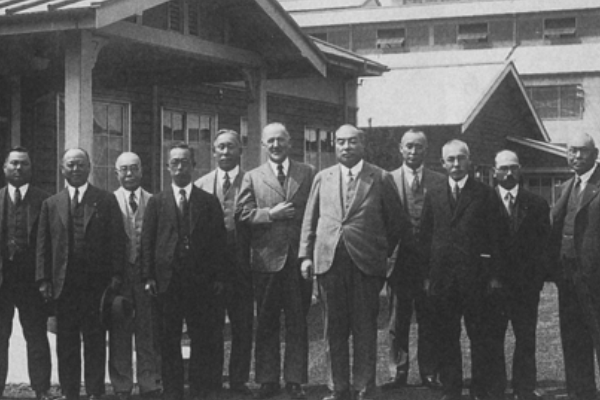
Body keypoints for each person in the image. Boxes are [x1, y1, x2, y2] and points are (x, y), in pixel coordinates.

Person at [299, 124, 408, 400]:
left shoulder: (380, 178)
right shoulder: (323, 177)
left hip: (365, 267)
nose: (346, 147)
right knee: (332, 330)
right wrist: (305, 256)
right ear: (335, 146)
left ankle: (364, 387)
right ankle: (338, 388)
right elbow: (309, 221)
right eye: (341, 142)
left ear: (363, 145)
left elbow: (396, 224)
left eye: (352, 142)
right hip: (329, 264)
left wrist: (379, 253)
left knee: (364, 329)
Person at [37, 148, 125, 400]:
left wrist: (116, 275)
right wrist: (44, 279)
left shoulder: (105, 200)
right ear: (62, 169)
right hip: (63, 286)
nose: (75, 169)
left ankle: (95, 391)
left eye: (80, 165)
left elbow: (117, 241)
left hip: (96, 287)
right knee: (66, 343)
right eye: (70, 165)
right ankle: (70, 392)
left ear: (89, 168)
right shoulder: (51, 204)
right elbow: (43, 246)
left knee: (95, 341)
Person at [419, 140, 505, 400]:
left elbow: (497, 237)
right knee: (446, 336)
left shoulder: (485, 193)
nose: (456, 164)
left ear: (469, 161)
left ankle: (480, 388)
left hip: (476, 279)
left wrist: (493, 276)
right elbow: (425, 237)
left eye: (461, 158)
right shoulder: (433, 193)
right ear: (443, 163)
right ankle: (451, 389)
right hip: (443, 280)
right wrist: (426, 276)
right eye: (451, 160)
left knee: (480, 337)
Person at [141, 142, 228, 400]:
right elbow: (147, 242)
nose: (180, 167)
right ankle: (173, 391)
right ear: (168, 167)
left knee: (203, 338)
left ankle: (201, 389)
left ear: (194, 166)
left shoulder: (208, 202)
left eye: (185, 162)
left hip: (201, 284)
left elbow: (219, 243)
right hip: (167, 284)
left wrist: (219, 277)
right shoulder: (157, 202)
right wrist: (148, 277)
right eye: (174, 162)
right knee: (168, 341)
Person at [237, 123, 315, 400]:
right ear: (263, 145)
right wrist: (270, 213)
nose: (276, 145)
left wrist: (308, 254)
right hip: (266, 260)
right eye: (270, 141)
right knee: (267, 321)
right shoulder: (253, 177)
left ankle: (295, 379)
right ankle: (268, 379)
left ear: (290, 142)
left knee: (297, 321)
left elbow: (314, 216)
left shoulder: (307, 173)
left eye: (281, 140)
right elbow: (242, 214)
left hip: (296, 260)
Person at [384, 130, 445, 390]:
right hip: (399, 263)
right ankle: (397, 372)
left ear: (426, 149)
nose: (413, 151)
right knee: (398, 321)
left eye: (419, 147)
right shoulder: (387, 180)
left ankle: (429, 372)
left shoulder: (439, 180)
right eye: (409, 146)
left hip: (429, 264)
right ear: (400, 148)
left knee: (429, 319)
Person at [195, 130, 253, 396]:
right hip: (211, 271)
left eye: (231, 147)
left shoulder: (253, 181)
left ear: (240, 150)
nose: (226, 152)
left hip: (243, 267)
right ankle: (213, 379)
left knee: (242, 326)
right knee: (212, 325)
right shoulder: (201, 184)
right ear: (213, 151)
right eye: (220, 147)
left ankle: (239, 380)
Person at [492, 150, 549, 400]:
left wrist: (536, 281)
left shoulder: (536, 204)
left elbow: (543, 246)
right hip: (493, 286)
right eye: (503, 168)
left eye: (513, 167)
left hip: (525, 287)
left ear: (520, 169)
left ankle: (524, 387)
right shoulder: (484, 202)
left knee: (526, 338)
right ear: (494, 171)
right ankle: (494, 387)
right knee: (493, 338)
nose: (508, 173)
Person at [549, 132, 600, 400]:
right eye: (572, 150)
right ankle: (582, 394)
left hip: (596, 280)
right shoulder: (568, 186)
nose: (577, 156)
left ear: (595, 154)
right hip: (568, 280)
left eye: (582, 151)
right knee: (574, 340)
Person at [0, 147, 51, 400]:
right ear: (5, 168)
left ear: (31, 168)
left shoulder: (45, 201)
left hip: (32, 281)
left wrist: (45, 279)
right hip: (2, 281)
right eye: (14, 164)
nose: (18, 168)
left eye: (24, 164)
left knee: (36, 336)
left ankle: (41, 389)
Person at [109, 152, 162, 400]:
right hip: (119, 276)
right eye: (124, 169)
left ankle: (149, 381)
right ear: (116, 172)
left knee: (147, 330)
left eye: (134, 169)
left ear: (142, 171)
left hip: (145, 275)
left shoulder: (154, 201)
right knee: (120, 330)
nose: (129, 174)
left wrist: (151, 273)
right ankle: (122, 385)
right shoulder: (108, 201)